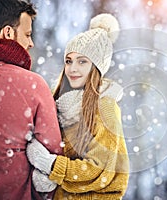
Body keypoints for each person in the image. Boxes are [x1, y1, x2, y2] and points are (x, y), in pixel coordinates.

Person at [26, 13, 130, 199]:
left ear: (96, 67)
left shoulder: (105, 106)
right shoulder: (58, 104)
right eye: (69, 61)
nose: (73, 68)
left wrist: (51, 166)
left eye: (82, 61)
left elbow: (98, 170)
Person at [0, 0, 63, 199]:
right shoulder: (33, 85)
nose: (31, 43)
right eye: (28, 35)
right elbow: (51, 158)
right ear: (8, 33)